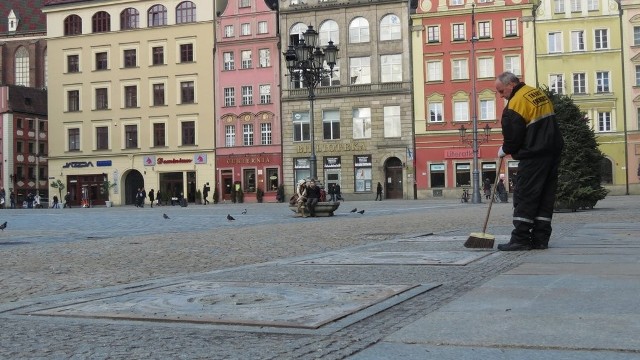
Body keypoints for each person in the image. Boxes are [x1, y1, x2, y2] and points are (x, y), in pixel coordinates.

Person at [495, 71, 564, 251]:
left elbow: (513, 135)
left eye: (501, 91)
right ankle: (541, 238)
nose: (501, 96)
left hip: (534, 154)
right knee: (544, 196)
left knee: (525, 195)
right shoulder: (537, 93)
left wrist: (505, 149)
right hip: (552, 152)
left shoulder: (515, 103)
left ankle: (521, 239)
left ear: (511, 84)